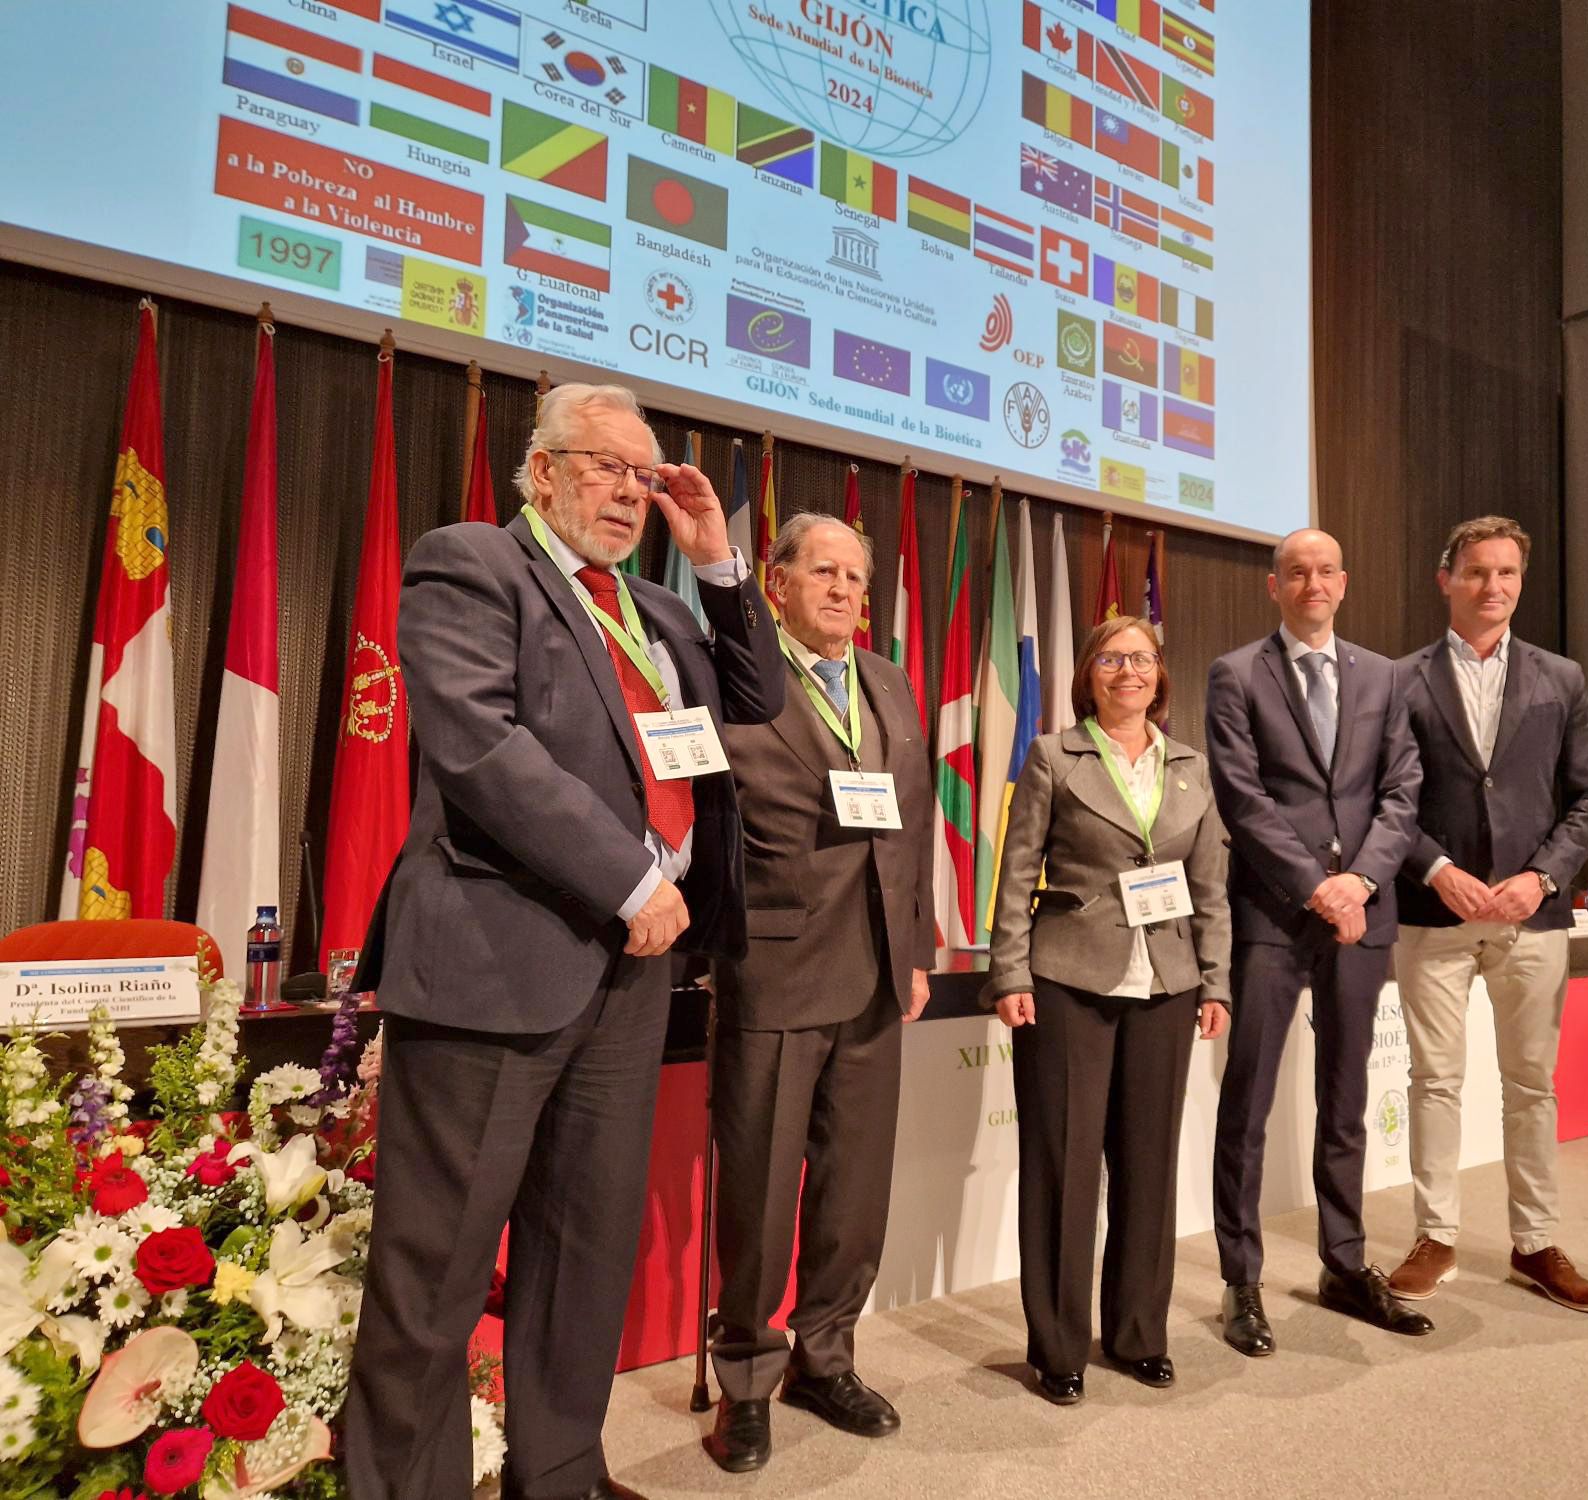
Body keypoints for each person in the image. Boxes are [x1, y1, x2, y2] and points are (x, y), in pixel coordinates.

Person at [345, 383, 785, 1500]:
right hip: (495, 964)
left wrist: (718, 558)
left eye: (645, 476)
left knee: (582, 1254)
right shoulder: (473, 565)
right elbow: (480, 747)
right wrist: (630, 875)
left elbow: (759, 693)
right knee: (436, 1272)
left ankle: (558, 1474)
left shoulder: (660, 609)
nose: (630, 493)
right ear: (538, 470)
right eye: (606, 467)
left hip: (629, 978)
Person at [703, 512, 935, 1472]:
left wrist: (916, 948)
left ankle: (825, 1358)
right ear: (778, 581)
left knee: (854, 1192)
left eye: (855, 575)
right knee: (758, 1190)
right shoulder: (737, 681)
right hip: (777, 966)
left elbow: (912, 826)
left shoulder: (888, 681)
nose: (842, 590)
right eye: (823, 572)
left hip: (880, 973)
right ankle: (747, 1380)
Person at [986, 616, 1230, 1404]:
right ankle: (1059, 1348)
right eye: (1113, 659)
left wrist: (1217, 982)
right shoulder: (1054, 755)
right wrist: (1008, 972)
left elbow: (1210, 891)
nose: (1129, 671)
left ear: (1162, 675)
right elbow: (1017, 872)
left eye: (1144, 659)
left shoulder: (1191, 765)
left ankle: (1137, 1335)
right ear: (1090, 672)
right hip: (1066, 980)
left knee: (1149, 1167)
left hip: (1167, 983)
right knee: (1063, 1168)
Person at [1206, 528, 1429, 1351]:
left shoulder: (1386, 674)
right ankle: (1242, 1280)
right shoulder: (1236, 674)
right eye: (1296, 572)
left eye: (1326, 570)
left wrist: (1361, 881)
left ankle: (1344, 1262)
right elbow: (1241, 794)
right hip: (1273, 912)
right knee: (1251, 1099)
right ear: (1275, 587)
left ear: (1344, 581)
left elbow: (1403, 789)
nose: (1312, 584)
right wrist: (1314, 885)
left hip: (1362, 912)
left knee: (1346, 1102)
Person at [1386, 517, 1588, 1312]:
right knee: (1435, 1081)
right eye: (1478, 572)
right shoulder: (1398, 681)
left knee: (1531, 1085)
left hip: (1529, 917)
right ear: (1445, 578)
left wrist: (1544, 878)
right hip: (1430, 912)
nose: (1494, 588)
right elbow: (1381, 802)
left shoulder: (1563, 678)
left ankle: (1537, 1242)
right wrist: (1436, 867)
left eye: (1508, 573)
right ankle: (1435, 1235)